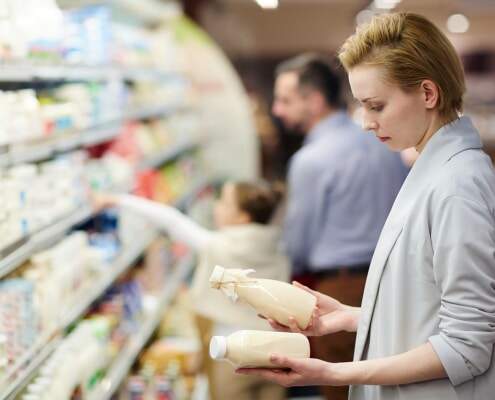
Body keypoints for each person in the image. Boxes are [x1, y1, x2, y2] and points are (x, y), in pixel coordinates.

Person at [237, 12, 495, 400]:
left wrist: (334, 372)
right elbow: (426, 312)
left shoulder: (456, 185)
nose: (366, 123)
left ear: (428, 94)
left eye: (376, 106)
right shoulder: (428, 166)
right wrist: (351, 317)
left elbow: (466, 346)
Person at [272, 53, 408, 399]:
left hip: (340, 289)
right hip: (397, 279)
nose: (277, 110)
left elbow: (298, 244)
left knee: (342, 387)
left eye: (285, 100)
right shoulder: (384, 144)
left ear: (315, 101)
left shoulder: (310, 161)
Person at [95, 180, 289, 400]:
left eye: (224, 203)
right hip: (278, 349)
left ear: (243, 217)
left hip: (235, 353)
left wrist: (117, 200)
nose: (216, 206)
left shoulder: (219, 246)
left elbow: (170, 220)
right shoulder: (278, 247)